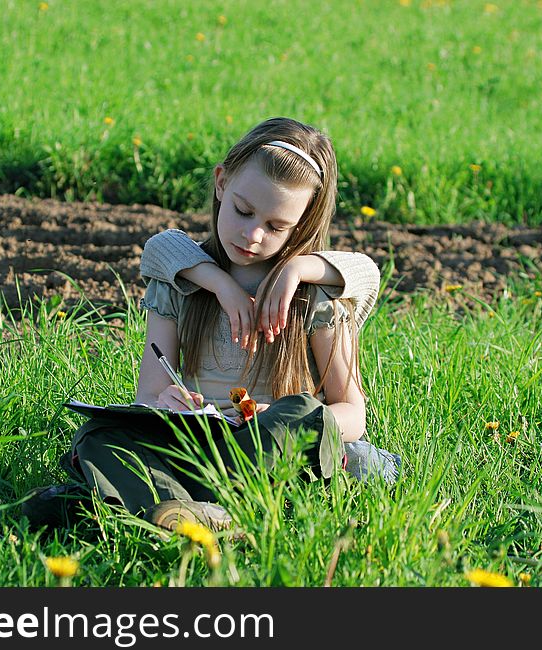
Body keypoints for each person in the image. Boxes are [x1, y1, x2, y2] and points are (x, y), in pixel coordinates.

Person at [22, 117, 399, 531]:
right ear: (221, 183)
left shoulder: (314, 295)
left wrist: (296, 269)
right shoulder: (183, 284)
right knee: (100, 434)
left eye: (276, 227)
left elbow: (352, 414)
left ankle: (124, 507)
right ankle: (202, 512)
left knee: (309, 420)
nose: (253, 234)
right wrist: (166, 403)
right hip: (199, 447)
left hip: (271, 452)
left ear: (302, 223)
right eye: (242, 210)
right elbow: (149, 393)